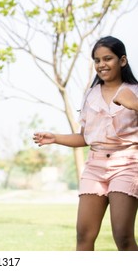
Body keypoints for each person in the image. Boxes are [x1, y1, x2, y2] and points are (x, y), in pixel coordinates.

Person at [33, 36, 138, 251]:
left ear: (123, 61)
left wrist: (134, 104)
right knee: (84, 235)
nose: (101, 64)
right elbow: (86, 137)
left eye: (107, 58)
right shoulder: (90, 94)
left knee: (123, 236)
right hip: (95, 166)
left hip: (127, 164)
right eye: (97, 60)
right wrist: (55, 138)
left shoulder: (134, 91)